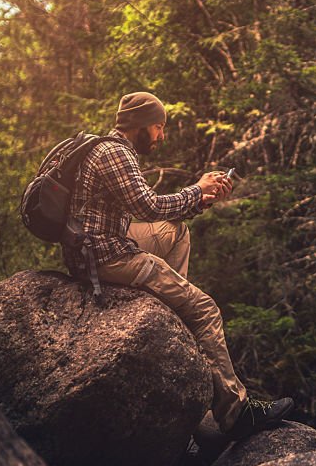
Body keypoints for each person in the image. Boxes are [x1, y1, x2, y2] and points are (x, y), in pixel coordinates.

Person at [62, 91, 293, 439]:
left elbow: (156, 215)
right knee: (206, 310)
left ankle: (170, 311)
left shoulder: (109, 148)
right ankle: (235, 414)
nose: (161, 135)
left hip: (101, 245)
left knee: (176, 231)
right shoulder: (115, 153)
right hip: (108, 257)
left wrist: (202, 198)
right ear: (140, 126)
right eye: (158, 127)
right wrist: (197, 188)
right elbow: (149, 207)